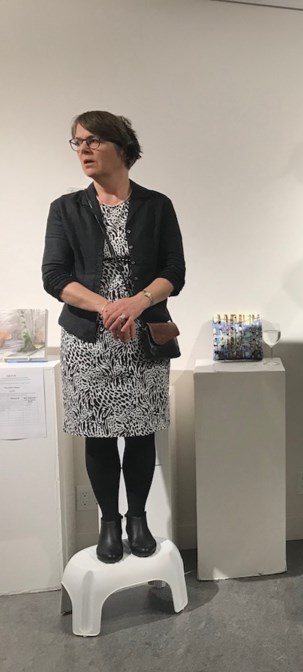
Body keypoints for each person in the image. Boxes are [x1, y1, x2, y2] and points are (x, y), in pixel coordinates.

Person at [42, 111, 185, 563]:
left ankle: (139, 518)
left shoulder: (157, 205)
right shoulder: (65, 209)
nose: (83, 149)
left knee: (141, 433)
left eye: (93, 140)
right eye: (77, 142)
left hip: (143, 337)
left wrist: (137, 303)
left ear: (122, 148)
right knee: (98, 435)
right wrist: (107, 306)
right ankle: (110, 523)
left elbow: (174, 272)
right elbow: (54, 276)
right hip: (88, 341)